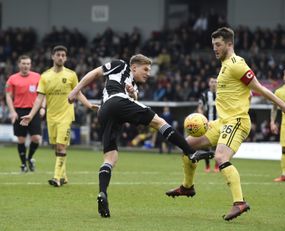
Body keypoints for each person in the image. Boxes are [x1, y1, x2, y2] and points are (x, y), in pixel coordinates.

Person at [165, 27, 285, 221]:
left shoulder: (236, 64)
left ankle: (239, 202)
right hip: (222, 121)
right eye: (213, 45)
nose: (215, 49)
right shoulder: (225, 65)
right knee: (186, 145)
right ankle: (187, 187)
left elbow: (258, 87)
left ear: (229, 44)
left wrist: (283, 104)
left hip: (237, 121)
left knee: (220, 157)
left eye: (218, 45)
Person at [67, 54, 212, 218]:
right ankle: (190, 151)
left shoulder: (132, 84)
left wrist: (133, 93)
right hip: (116, 101)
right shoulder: (120, 65)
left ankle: (102, 193)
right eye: (146, 69)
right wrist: (75, 90)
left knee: (110, 158)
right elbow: (94, 74)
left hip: (105, 111)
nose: (148, 73)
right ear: (134, 67)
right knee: (159, 122)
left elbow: (131, 97)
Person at [20, 45, 98, 186]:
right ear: (53, 57)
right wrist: (31, 116)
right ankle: (64, 177)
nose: (61, 57)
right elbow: (39, 98)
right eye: (58, 55)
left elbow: (78, 93)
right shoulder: (45, 76)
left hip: (66, 116)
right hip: (51, 117)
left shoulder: (71, 75)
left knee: (61, 146)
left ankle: (56, 178)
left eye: (63, 55)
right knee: (57, 147)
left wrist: (88, 105)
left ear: (66, 58)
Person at [5, 55, 45, 172]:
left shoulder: (38, 77)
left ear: (30, 65)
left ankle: (30, 158)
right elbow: (8, 96)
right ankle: (23, 164)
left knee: (36, 138)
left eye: (28, 63)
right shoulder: (12, 79)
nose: (25, 66)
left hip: (34, 110)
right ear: (19, 65)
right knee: (21, 140)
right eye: (23, 63)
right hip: (19, 111)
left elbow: (43, 94)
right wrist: (12, 112)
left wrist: (42, 107)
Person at [197, 77, 219, 173]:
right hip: (208, 124)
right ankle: (207, 166)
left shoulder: (222, 94)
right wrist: (201, 117)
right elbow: (200, 107)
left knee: (219, 146)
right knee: (206, 146)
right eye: (212, 82)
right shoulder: (205, 94)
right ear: (209, 83)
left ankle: (217, 165)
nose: (214, 83)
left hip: (219, 124)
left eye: (215, 82)